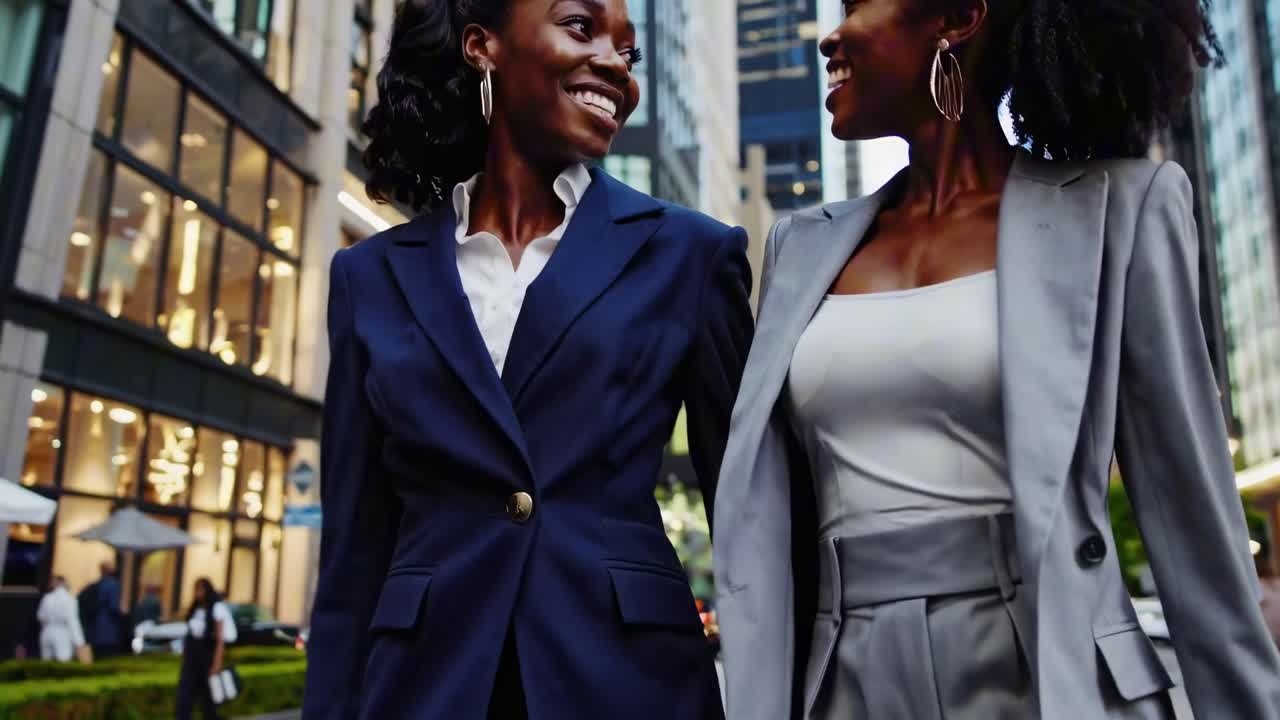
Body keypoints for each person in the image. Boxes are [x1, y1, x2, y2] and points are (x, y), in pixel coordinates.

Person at [713, 0, 1280, 718]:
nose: (832, 36)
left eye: (858, 5)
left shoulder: (1121, 211)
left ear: (956, 18)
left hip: (1051, 673)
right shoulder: (799, 248)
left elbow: (1196, 526)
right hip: (849, 679)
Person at [302, 1, 752, 719]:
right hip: (424, 684)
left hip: (629, 681)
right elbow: (354, 552)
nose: (615, 64)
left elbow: (750, 512)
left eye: (629, 53)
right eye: (582, 27)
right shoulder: (370, 278)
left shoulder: (691, 255)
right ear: (484, 46)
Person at [176, 578, 233, 720]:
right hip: (191, 657)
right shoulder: (195, 608)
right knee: (184, 696)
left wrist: (217, 663)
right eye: (196, 589)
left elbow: (220, 639)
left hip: (206, 655)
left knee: (208, 700)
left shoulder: (216, 608)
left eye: (201, 589)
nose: (198, 593)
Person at [79, 562, 124, 658]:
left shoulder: (96, 584)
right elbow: (113, 607)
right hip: (107, 629)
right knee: (107, 656)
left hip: (93, 628)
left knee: (96, 656)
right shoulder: (113, 585)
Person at [37, 576, 85, 662]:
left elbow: (40, 616)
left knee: (46, 663)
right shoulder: (69, 599)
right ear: (64, 584)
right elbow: (72, 620)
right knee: (63, 662)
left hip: (47, 631)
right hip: (62, 632)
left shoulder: (47, 598)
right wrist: (79, 641)